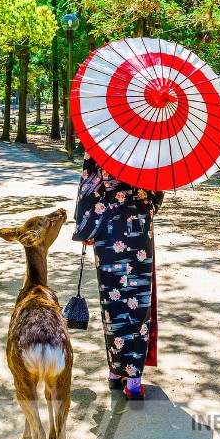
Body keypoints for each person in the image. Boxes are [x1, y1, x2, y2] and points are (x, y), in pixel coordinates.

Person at [73, 153, 163, 400]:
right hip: (140, 229)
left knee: (112, 300)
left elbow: (88, 189)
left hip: (109, 228)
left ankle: (115, 372)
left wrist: (86, 228)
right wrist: (145, 206)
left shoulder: (99, 142)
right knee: (138, 299)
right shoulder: (152, 146)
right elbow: (158, 191)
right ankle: (134, 381)